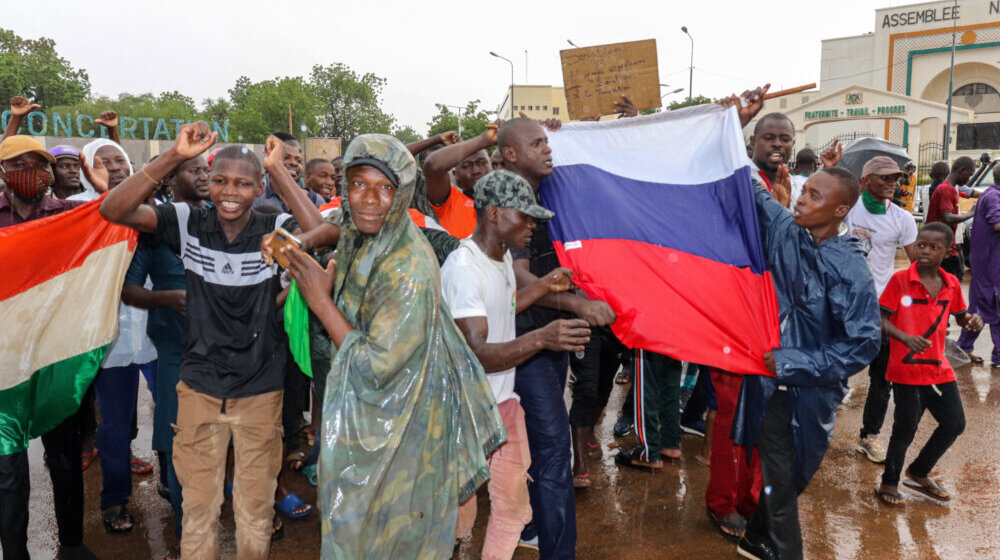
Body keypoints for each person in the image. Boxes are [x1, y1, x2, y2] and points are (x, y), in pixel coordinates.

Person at [100, 121, 324, 560]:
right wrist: (174, 155)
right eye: (219, 180)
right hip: (199, 389)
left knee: (254, 512)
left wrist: (278, 170)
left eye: (244, 183)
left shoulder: (274, 225)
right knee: (199, 511)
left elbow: (320, 228)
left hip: (260, 392)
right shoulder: (187, 221)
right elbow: (113, 208)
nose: (229, 191)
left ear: (259, 188)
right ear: (207, 180)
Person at [278, 133, 503, 559]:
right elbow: (334, 226)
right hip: (381, 415)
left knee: (396, 536)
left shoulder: (407, 267)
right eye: (358, 184)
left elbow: (376, 366)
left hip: (409, 428)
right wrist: (307, 247)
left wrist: (321, 302)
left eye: (385, 188)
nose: (369, 199)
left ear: (402, 195)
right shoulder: (370, 234)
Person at [732, 163, 881, 560]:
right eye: (804, 190)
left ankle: (754, 538)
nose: (800, 199)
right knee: (780, 481)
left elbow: (863, 343)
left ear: (839, 210)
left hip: (813, 390)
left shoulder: (852, 269)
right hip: (768, 385)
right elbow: (756, 194)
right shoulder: (786, 230)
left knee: (796, 474)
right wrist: (731, 125)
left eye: (815, 196)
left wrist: (793, 361)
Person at [443, 169, 590, 560]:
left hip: (504, 406)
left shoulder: (502, 258)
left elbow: (503, 309)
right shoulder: (463, 268)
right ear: (493, 214)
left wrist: (543, 286)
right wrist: (542, 337)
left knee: (512, 510)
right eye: (523, 216)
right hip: (466, 412)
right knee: (456, 517)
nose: (531, 225)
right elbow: (478, 354)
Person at [498, 117, 616, 558]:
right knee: (551, 450)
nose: (548, 150)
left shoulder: (548, 189)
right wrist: (577, 303)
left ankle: (536, 526)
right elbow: (519, 274)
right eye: (537, 143)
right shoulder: (508, 198)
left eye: (548, 142)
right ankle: (556, 547)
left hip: (550, 339)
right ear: (510, 154)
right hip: (527, 344)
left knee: (539, 446)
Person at [0, 135, 98, 559]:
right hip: (3, 359)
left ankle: (72, 544)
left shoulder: (65, 215)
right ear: (3, 171)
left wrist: (100, 184)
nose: (32, 171)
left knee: (64, 455)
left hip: (55, 354)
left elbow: (112, 219)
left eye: (38, 163)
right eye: (19, 162)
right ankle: (15, 552)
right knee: (8, 466)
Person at [121, 153, 211, 559]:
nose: (206, 177)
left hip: (223, 353)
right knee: (178, 443)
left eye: (208, 170)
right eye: (195, 170)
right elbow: (129, 289)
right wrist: (167, 298)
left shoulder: (222, 218)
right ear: (172, 179)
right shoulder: (154, 229)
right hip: (176, 352)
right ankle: (184, 524)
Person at [874, 223, 982, 508]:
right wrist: (904, 337)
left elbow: (960, 317)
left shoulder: (951, 283)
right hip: (906, 370)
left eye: (934, 247)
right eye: (921, 244)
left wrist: (972, 320)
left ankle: (919, 471)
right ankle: (889, 481)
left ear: (947, 252)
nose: (924, 251)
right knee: (905, 427)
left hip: (938, 368)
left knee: (955, 423)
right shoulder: (900, 281)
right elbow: (881, 320)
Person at [845, 156, 918, 465]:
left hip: (881, 309)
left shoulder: (902, 218)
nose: (892, 183)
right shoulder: (848, 209)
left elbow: (917, 265)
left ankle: (869, 436)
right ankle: (812, 427)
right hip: (846, 304)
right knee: (834, 369)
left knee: (881, 377)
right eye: (885, 177)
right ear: (866, 180)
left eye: (895, 178)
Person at [958, 164, 1000, 367]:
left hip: (990, 260)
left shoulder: (993, 194)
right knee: (986, 305)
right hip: (988, 261)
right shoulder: (993, 196)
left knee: (986, 305)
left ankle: (965, 347)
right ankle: (967, 348)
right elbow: (997, 223)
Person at [423, 128, 495, 238]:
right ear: (455, 174)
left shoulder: (508, 198)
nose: (476, 170)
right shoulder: (449, 201)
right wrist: (484, 140)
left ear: (492, 167)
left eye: (482, 163)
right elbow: (432, 166)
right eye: (466, 166)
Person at [925, 156, 976, 282]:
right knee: (952, 287)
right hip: (944, 249)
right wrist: (971, 213)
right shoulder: (946, 189)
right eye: (969, 174)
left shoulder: (948, 188)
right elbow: (947, 217)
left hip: (943, 247)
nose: (969, 179)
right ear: (962, 170)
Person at [254, 132, 325, 210]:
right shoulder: (255, 199)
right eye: (286, 157)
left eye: (298, 160)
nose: (294, 163)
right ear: (269, 159)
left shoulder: (315, 200)